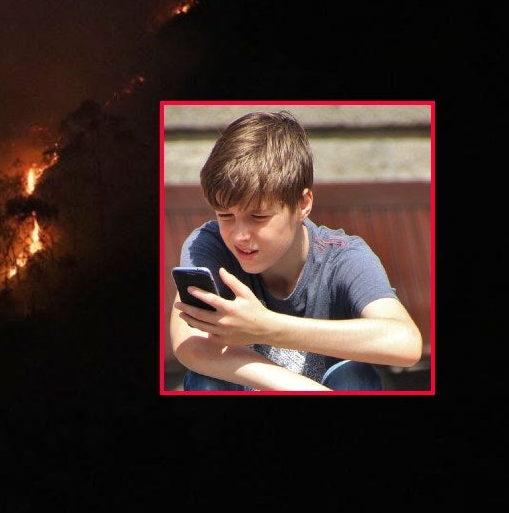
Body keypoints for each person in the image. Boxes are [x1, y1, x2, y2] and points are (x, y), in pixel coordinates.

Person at [169, 110, 422, 391]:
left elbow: (405, 342)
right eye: (225, 216)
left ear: (303, 205)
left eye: (258, 217)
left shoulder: (342, 257)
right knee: (206, 379)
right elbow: (189, 343)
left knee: (353, 376)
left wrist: (267, 327)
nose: (239, 235)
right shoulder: (209, 244)